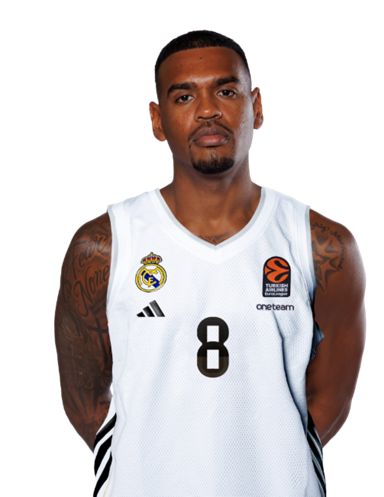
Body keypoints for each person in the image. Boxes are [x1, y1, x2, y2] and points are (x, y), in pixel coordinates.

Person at [54, 29, 366, 497]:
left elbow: (331, 398)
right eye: (184, 96)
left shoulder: (323, 245)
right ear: (158, 120)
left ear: (256, 106)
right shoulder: (102, 247)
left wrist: (269, 463)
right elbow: (85, 401)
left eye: (226, 91)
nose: (207, 110)